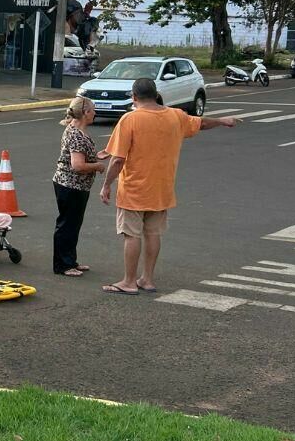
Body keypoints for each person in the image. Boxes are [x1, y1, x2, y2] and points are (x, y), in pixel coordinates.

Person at [99, 78, 238, 295]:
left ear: (134, 97)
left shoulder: (130, 119)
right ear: (156, 94)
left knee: (131, 234)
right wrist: (222, 120)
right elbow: (201, 123)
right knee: (153, 234)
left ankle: (128, 281)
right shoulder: (175, 116)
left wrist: (106, 184)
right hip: (162, 187)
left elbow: (117, 160)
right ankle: (147, 279)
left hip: (134, 188)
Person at [51, 97, 107, 277]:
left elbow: (79, 157)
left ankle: (70, 261)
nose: (95, 113)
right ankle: (63, 265)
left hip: (71, 185)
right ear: (85, 113)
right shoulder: (77, 135)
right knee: (68, 225)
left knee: (72, 224)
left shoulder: (75, 130)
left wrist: (97, 156)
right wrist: (97, 166)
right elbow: (77, 165)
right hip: (71, 185)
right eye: (92, 110)